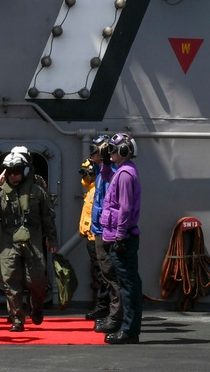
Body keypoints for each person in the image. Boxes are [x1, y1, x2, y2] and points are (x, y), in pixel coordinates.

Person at [0, 146, 58, 332]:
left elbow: (48, 216)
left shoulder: (37, 190)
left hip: (33, 238)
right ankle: (17, 319)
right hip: (9, 240)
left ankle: (36, 306)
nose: (14, 176)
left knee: (37, 280)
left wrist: (52, 240)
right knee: (11, 281)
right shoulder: (0, 190)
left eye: (17, 172)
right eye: (10, 172)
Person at [100, 132, 142, 345]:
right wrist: (106, 164)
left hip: (122, 237)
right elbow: (107, 178)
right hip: (118, 235)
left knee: (128, 285)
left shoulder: (125, 175)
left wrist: (119, 235)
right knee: (127, 283)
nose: (110, 153)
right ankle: (129, 328)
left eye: (113, 150)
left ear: (124, 150)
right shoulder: (120, 172)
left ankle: (129, 330)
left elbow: (124, 208)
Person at [90, 135, 121, 335]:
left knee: (112, 277)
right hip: (100, 230)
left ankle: (116, 317)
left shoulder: (114, 174)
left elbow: (113, 206)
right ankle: (113, 315)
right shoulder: (104, 173)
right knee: (106, 276)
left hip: (106, 232)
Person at [78, 152, 107, 321]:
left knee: (103, 275)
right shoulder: (92, 189)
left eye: (86, 172)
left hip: (97, 237)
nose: (84, 176)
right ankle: (102, 307)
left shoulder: (99, 190)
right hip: (91, 238)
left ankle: (105, 308)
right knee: (98, 274)